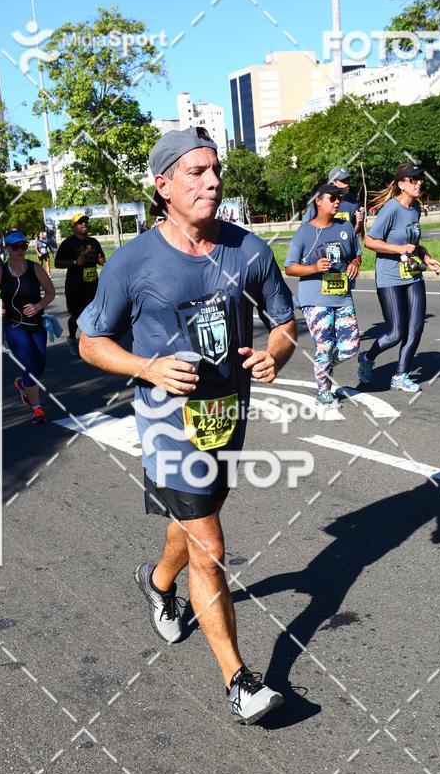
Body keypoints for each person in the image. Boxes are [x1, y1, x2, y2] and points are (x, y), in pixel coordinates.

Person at [78, 126, 297, 724]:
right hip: (167, 423)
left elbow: (285, 321)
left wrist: (275, 354)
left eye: (215, 169)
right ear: (164, 184)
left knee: (195, 519)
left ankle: (155, 581)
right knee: (211, 544)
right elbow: (90, 342)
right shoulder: (132, 262)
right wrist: (146, 365)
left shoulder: (248, 250)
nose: (213, 181)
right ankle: (240, 679)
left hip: (226, 416)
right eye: (197, 172)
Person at [357, 163, 440, 393]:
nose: (418, 183)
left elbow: (413, 244)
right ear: (401, 184)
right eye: (413, 179)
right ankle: (367, 357)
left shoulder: (415, 208)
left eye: (419, 178)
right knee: (397, 332)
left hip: (412, 275)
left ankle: (400, 375)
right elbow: (369, 241)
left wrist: (426, 258)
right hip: (389, 278)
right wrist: (398, 249)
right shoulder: (391, 209)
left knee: (415, 329)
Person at [284, 183, 361, 405]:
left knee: (350, 347)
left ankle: (322, 364)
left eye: (339, 198)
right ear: (318, 201)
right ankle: (323, 389)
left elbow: (356, 254)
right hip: (314, 297)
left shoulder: (346, 227)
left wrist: (355, 262)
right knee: (325, 345)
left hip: (342, 294)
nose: (337, 201)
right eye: (332, 198)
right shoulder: (305, 231)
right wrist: (314, 268)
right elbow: (290, 267)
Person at [0, 230, 56, 425]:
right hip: (14, 326)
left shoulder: (35, 269)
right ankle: (37, 410)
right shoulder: (0, 272)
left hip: (36, 325)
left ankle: (23, 383)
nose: (19, 250)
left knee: (39, 365)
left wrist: (39, 306)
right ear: (6, 248)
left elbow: (50, 292)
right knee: (29, 365)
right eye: (15, 247)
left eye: (23, 246)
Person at [54, 213, 105, 356]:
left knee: (95, 313)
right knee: (76, 316)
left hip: (93, 284)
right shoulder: (68, 243)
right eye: (80, 222)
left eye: (85, 222)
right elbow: (57, 263)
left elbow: (100, 258)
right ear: (74, 226)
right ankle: (72, 337)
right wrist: (75, 262)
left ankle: (92, 342)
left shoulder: (94, 242)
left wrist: (102, 262)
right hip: (75, 286)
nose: (84, 224)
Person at [303, 167, 365, 237]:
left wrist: (359, 223)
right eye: (343, 180)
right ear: (333, 182)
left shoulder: (353, 202)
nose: (347, 183)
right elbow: (305, 226)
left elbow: (353, 234)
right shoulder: (322, 200)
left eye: (348, 179)